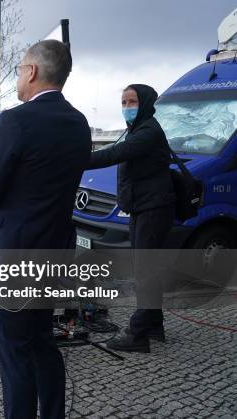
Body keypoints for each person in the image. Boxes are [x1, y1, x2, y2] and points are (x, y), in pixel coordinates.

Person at [0, 40, 91, 419]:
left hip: (14, 256)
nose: (19, 75)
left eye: (21, 68)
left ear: (33, 71)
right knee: (42, 341)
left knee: (16, 353)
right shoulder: (79, 122)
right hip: (55, 250)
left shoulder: (15, 119)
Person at [87, 84, 175, 353]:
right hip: (143, 207)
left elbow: (116, 153)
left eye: (132, 101)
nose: (127, 107)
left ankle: (138, 334)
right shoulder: (137, 129)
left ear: (146, 102)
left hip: (153, 209)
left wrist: (75, 160)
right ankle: (154, 326)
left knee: (145, 271)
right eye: (123, 102)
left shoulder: (148, 131)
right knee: (146, 267)